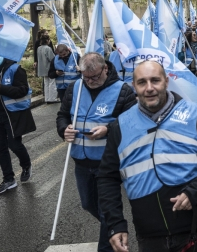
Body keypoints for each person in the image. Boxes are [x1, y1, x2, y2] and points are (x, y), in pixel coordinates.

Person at [98, 60, 197, 252]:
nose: (149, 88)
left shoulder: (194, 113)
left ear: (166, 82)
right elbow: (107, 178)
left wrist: (195, 191)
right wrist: (115, 223)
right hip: (149, 233)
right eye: (142, 82)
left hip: (194, 226)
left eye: (155, 80)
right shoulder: (120, 125)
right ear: (134, 86)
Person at [56, 53, 136, 251]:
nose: (90, 81)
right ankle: (112, 226)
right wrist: (63, 129)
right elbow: (62, 115)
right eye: (86, 77)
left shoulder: (123, 90)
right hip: (81, 161)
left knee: (106, 209)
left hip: (107, 164)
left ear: (105, 69)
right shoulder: (75, 87)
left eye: (94, 77)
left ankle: (109, 242)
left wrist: (108, 129)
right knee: (88, 205)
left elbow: (132, 122)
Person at [0, 54, 35, 195]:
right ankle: (9, 180)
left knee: (14, 145)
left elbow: (22, 90)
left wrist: (2, 88)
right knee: (0, 148)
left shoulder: (15, 68)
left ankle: (26, 165)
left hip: (12, 115)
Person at [37, 35, 58, 103]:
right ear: (47, 40)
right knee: (52, 83)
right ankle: (52, 98)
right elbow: (52, 58)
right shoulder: (48, 48)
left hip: (42, 68)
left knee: (46, 83)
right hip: (49, 68)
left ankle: (47, 98)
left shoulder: (39, 48)